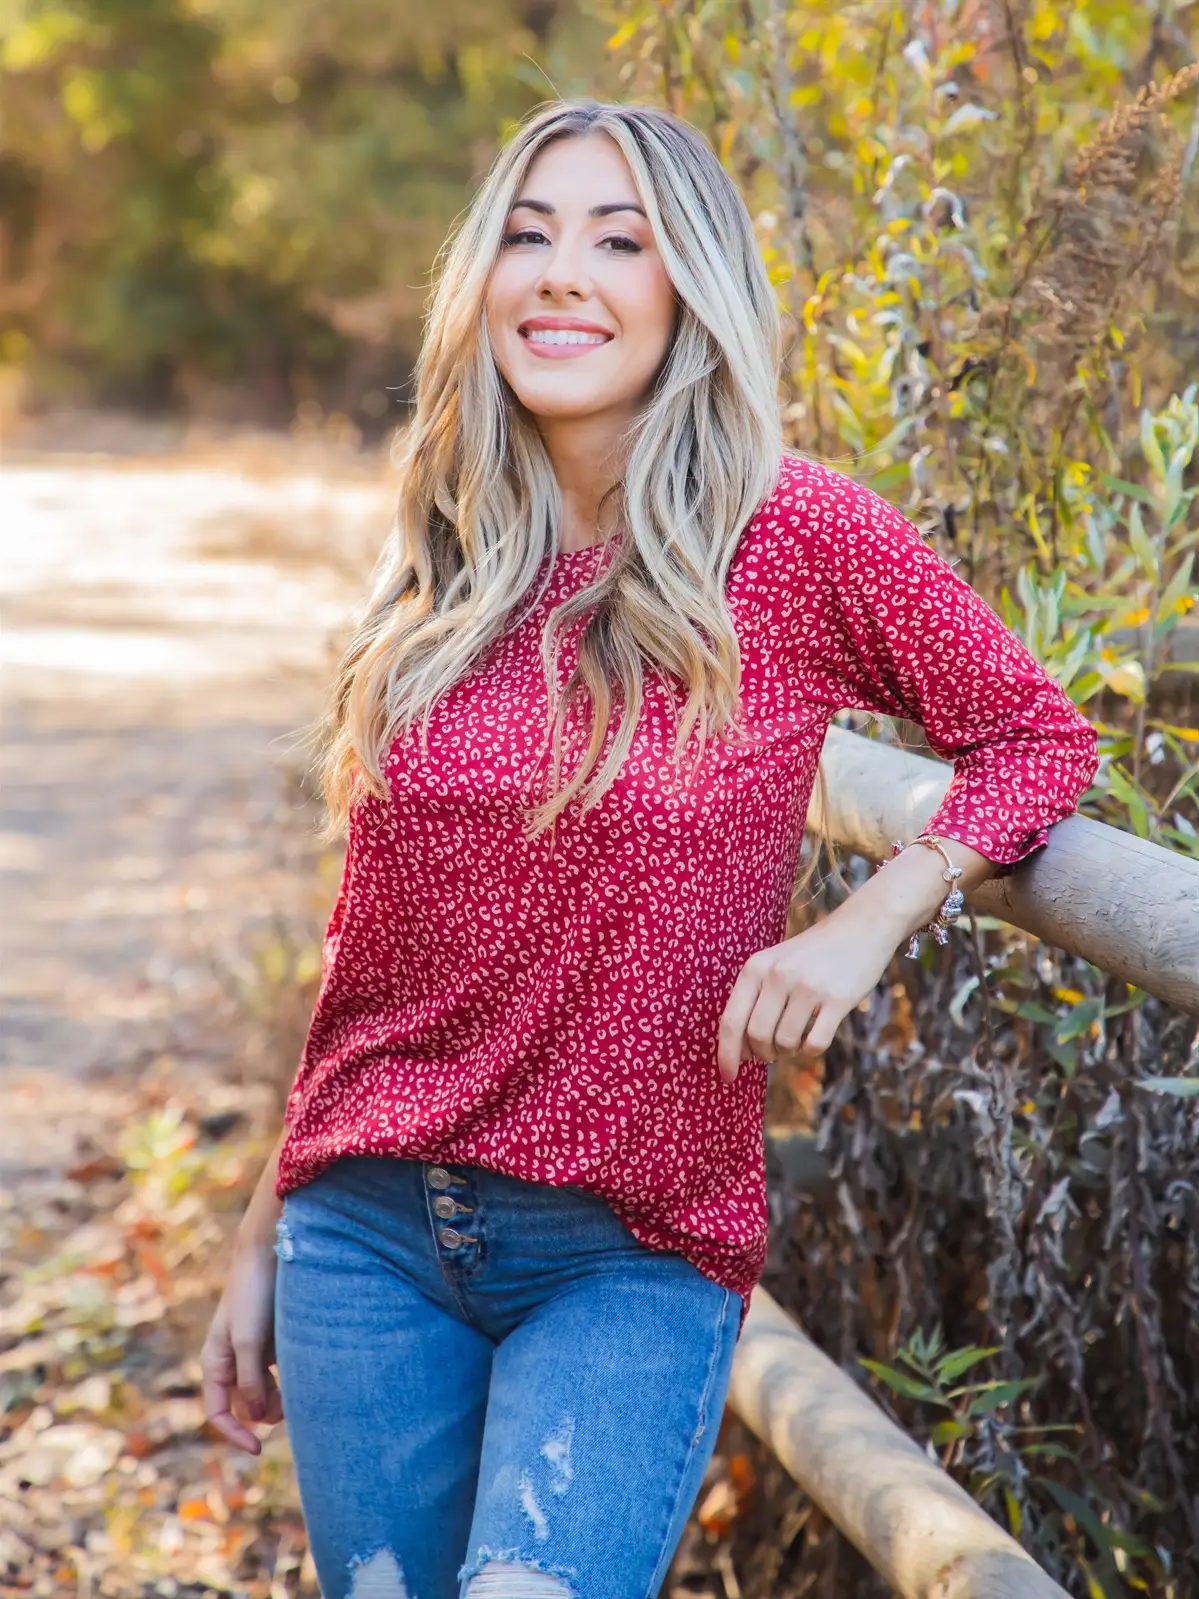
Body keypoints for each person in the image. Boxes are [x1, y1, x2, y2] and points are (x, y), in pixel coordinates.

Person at [200, 99, 1098, 1599]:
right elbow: (375, 934)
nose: (563, 273)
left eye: (618, 239)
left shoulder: (794, 536)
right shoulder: (445, 542)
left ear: (688, 289)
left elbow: (1035, 737)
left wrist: (865, 916)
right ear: (478, 279)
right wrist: (260, 1226)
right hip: (360, 1237)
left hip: (625, 1250)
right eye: (528, 234)